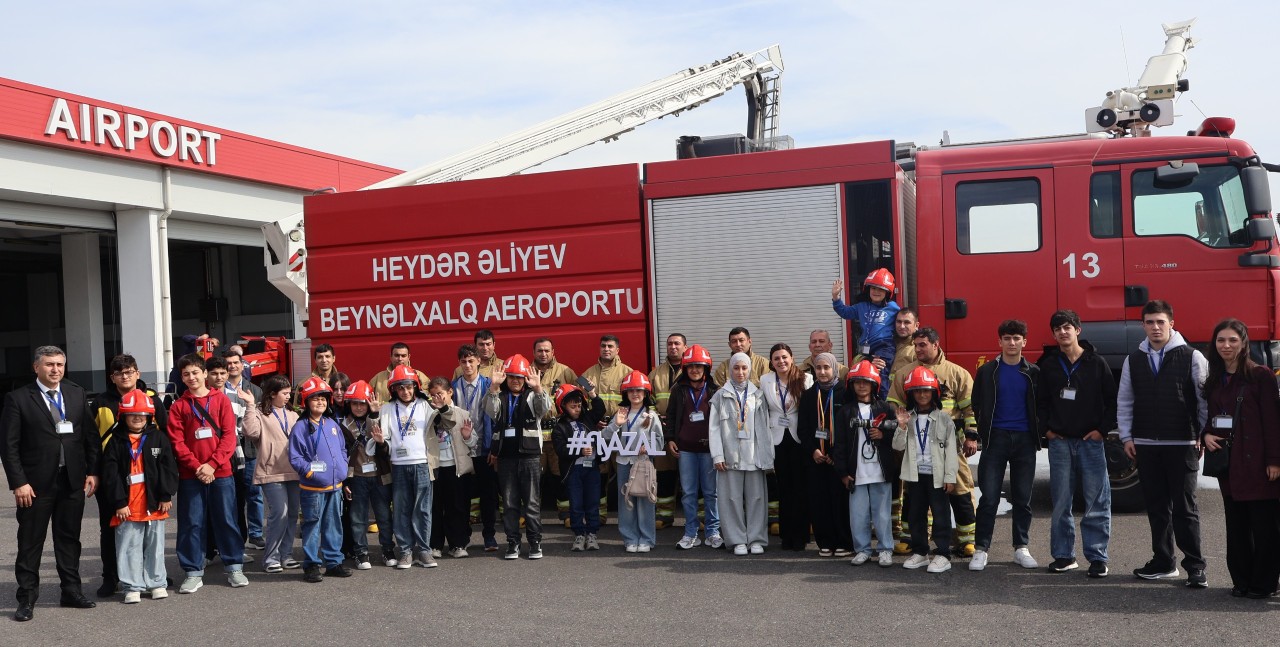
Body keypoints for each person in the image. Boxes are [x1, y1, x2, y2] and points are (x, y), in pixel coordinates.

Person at [1, 346, 100, 621]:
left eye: (59, 364)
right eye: (49, 364)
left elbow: (89, 437)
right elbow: (9, 446)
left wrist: (92, 471)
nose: (55, 369)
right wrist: (19, 482)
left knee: (69, 539)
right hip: (35, 485)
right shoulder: (18, 398)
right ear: (36, 367)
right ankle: (27, 598)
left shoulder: (76, 393)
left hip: (71, 481)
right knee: (30, 542)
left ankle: (71, 591)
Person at [1118, 300, 1209, 587]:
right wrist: (1127, 437)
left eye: (1160, 321)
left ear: (1172, 322)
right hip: (1145, 444)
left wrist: (1203, 433)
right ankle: (1164, 561)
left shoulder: (1192, 357)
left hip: (1182, 443)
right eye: (1149, 322)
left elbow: (1204, 399)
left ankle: (1195, 566)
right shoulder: (1133, 359)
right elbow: (1125, 400)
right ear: (1142, 325)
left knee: (1185, 508)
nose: (1155, 327)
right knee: (1157, 508)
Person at [1200, 318, 1280, 598]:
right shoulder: (1214, 379)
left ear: (1244, 343)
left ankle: (1264, 583)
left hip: (1258, 464)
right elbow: (1210, 419)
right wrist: (1206, 434)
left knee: (1265, 529)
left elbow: (1272, 422)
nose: (1226, 345)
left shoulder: (1261, 376)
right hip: (1229, 464)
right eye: (1221, 340)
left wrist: (1275, 460)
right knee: (1236, 527)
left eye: (1233, 340)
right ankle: (1242, 580)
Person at [1036, 309, 1116, 578]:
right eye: (1057, 328)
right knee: (1061, 502)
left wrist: (1101, 431)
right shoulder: (1048, 365)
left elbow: (1112, 401)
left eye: (1067, 327)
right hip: (1059, 443)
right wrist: (1045, 430)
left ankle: (1096, 557)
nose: (1062, 332)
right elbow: (1040, 402)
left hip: (1090, 442)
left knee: (1097, 500)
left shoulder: (1097, 363)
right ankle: (1064, 555)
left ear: (1078, 330)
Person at [887, 327, 978, 557]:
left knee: (959, 488)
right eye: (915, 345)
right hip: (916, 444)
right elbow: (894, 405)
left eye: (922, 345)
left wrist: (970, 436)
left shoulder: (957, 373)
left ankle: (967, 539)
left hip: (950, 444)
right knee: (914, 491)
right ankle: (911, 538)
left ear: (936, 345)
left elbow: (969, 408)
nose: (917, 349)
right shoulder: (903, 373)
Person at [166, 353, 247, 593]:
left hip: (220, 472)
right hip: (191, 475)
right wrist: (197, 466)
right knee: (191, 523)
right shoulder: (179, 406)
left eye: (195, 372)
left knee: (226, 520)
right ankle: (192, 571)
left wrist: (212, 464)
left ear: (204, 373)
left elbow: (229, 437)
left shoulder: (220, 400)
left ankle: (234, 566)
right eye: (186, 374)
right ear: (182, 377)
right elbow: (177, 442)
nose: (191, 377)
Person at [91, 353, 168, 598]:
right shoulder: (100, 402)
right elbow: (91, 441)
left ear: (137, 373)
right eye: (119, 373)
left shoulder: (153, 400)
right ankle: (112, 577)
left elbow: (165, 434)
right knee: (111, 529)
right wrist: (92, 472)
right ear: (112, 377)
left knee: (149, 529)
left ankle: (152, 577)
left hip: (148, 478)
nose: (125, 376)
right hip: (112, 476)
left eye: (129, 371)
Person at [971, 320, 1041, 572]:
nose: (1012, 343)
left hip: (1024, 440)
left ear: (1025, 342)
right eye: (1007, 338)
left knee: (1023, 499)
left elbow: (1040, 406)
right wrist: (982, 432)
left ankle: (1021, 548)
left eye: (1017, 338)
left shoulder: (1033, 372)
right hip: (995, 439)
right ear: (999, 341)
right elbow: (976, 403)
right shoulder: (987, 371)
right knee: (989, 498)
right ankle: (981, 549)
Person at [99, 390, 178, 603]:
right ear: (122, 416)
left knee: (155, 546)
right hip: (127, 506)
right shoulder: (115, 442)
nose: (137, 418)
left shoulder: (159, 438)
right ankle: (131, 586)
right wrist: (118, 502)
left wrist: (165, 495)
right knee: (128, 547)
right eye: (132, 414)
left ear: (149, 416)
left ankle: (156, 583)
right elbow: (110, 475)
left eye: (142, 415)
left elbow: (169, 468)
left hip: (153, 504)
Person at [484, 354, 552, 560]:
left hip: (530, 458)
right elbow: (490, 411)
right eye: (512, 377)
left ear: (526, 379)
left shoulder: (533, 395)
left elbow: (544, 410)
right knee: (510, 503)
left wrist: (539, 388)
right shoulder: (500, 396)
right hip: (506, 458)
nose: (515, 381)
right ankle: (513, 543)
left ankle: (534, 543)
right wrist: (494, 387)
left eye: (520, 377)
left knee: (531, 503)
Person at [832, 360, 899, 567]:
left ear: (874, 385)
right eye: (857, 382)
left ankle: (885, 549)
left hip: (880, 471)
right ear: (851, 385)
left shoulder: (886, 408)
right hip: (857, 472)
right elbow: (840, 444)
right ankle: (862, 549)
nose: (861, 386)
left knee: (882, 513)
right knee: (858, 515)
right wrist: (843, 472)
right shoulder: (845, 412)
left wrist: (883, 435)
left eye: (866, 382)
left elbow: (898, 439)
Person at [893, 366, 958, 573]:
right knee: (915, 515)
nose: (922, 395)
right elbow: (897, 446)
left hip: (937, 476)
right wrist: (901, 426)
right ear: (911, 394)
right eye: (917, 391)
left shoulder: (944, 418)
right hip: (915, 475)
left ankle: (942, 554)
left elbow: (951, 450)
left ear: (934, 393)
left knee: (941, 515)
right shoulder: (907, 418)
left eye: (926, 390)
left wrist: (950, 477)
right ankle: (921, 552)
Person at [710, 352, 773, 556]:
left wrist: (767, 456)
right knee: (731, 499)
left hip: (754, 455)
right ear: (730, 370)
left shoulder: (758, 395)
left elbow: (765, 427)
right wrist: (718, 456)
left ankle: (756, 538)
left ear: (750, 369)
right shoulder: (721, 395)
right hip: (730, 457)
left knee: (757, 498)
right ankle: (736, 539)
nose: (740, 372)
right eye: (736, 368)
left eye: (744, 368)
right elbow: (713, 429)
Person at [289, 377, 350, 583]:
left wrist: (341, 468)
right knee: (312, 525)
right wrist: (310, 473)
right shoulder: (300, 427)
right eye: (315, 399)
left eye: (323, 399)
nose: (320, 403)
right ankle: (312, 565)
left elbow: (342, 448)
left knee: (333, 525)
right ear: (306, 402)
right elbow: (295, 457)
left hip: (335, 486)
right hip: (313, 488)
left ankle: (333, 562)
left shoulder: (332, 423)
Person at [242, 375, 303, 572]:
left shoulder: (293, 415)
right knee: (280, 513)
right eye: (284, 393)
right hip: (271, 472)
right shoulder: (259, 412)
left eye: (289, 393)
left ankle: (286, 555)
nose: (288, 397)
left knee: (292, 514)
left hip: (293, 472)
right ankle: (271, 558)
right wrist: (251, 406)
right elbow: (251, 433)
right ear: (272, 394)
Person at [379, 365, 437, 569]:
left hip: (422, 463)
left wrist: (442, 406)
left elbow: (444, 424)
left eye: (409, 387)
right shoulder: (386, 409)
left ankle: (424, 551)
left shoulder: (425, 405)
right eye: (400, 388)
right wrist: (380, 441)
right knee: (401, 510)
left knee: (423, 510)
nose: (405, 391)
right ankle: (405, 552)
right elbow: (384, 439)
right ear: (394, 389)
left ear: (415, 387)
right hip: (398, 465)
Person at [665, 344, 722, 550]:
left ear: (706, 368)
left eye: (699, 366)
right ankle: (690, 532)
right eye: (690, 367)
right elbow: (670, 416)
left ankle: (713, 532)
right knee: (688, 493)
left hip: (709, 450)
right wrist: (670, 438)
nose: (695, 370)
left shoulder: (715, 390)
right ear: (685, 368)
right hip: (686, 450)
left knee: (711, 493)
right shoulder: (678, 390)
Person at [759, 343, 814, 552]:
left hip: (799, 438)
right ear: (771, 363)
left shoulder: (806, 379)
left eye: (784, 357)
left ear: (791, 358)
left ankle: (800, 536)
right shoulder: (765, 380)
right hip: (777, 438)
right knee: (783, 489)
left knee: (800, 489)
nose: (781, 361)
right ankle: (786, 535)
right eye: (776, 358)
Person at [798, 353, 853, 557]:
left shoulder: (845, 393)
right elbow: (802, 428)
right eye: (818, 368)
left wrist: (834, 453)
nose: (822, 372)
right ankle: (825, 542)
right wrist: (814, 450)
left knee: (840, 500)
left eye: (826, 368)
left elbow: (848, 428)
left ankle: (844, 542)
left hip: (838, 459)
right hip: (816, 458)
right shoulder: (809, 395)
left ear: (834, 369)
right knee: (819, 501)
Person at [604, 370, 665, 553]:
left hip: (644, 463)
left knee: (646, 499)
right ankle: (630, 538)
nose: (635, 394)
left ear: (646, 393)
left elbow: (660, 441)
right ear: (625, 394)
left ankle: (647, 539)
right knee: (626, 500)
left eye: (639, 390)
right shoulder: (620, 413)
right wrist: (617, 424)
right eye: (631, 391)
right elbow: (605, 437)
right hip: (624, 463)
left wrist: (649, 447)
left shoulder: (651, 416)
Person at [338, 380, 394, 570]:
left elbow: (386, 452)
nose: (359, 407)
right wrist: (345, 481)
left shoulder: (377, 421)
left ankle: (387, 550)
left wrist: (380, 442)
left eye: (363, 403)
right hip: (357, 479)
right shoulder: (343, 425)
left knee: (384, 516)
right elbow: (341, 455)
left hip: (380, 477)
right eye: (355, 403)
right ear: (349, 404)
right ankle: (361, 553)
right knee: (358, 518)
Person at [204, 356, 254, 563]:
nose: (219, 377)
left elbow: (240, 429)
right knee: (207, 506)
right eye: (214, 373)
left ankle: (237, 548)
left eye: (222, 373)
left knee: (235, 505)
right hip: (205, 458)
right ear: (206, 374)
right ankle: (208, 550)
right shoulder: (200, 397)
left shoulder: (237, 396)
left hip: (234, 458)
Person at [425, 377, 478, 559]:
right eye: (433, 395)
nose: (437, 398)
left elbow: (474, 443)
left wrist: (468, 436)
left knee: (458, 508)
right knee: (434, 508)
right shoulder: (428, 414)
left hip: (457, 468)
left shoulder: (462, 413)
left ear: (450, 392)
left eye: (440, 394)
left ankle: (458, 544)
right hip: (435, 468)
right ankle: (435, 545)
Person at [453, 344, 499, 552]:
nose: (468, 365)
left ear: (479, 361)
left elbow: (497, 419)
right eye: (464, 362)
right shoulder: (453, 388)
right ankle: (463, 537)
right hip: (461, 451)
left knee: (488, 495)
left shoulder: (489, 385)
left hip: (484, 449)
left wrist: (494, 449)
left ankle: (489, 536)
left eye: (471, 361)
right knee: (461, 497)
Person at [551, 384, 607, 551]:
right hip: (574, 470)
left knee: (592, 502)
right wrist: (579, 451)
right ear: (563, 407)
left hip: (592, 469)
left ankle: (592, 534)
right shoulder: (559, 427)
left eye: (579, 405)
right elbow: (560, 450)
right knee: (575, 504)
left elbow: (600, 408)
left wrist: (592, 394)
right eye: (572, 406)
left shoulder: (588, 419)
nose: (577, 409)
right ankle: (579, 535)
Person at [832, 269, 902, 396]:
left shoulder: (893, 307)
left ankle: (883, 402)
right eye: (873, 288)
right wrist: (836, 298)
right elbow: (844, 312)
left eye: (881, 289)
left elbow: (906, 321)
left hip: (884, 346)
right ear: (867, 289)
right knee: (864, 374)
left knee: (879, 371)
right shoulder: (861, 306)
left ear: (888, 292)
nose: (876, 292)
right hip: (866, 348)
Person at [533, 338, 578, 528]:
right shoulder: (527, 371)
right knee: (534, 477)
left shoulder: (566, 371)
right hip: (535, 435)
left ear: (553, 351)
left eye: (546, 350)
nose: (543, 354)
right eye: (539, 350)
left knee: (561, 476)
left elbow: (577, 398)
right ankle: (530, 515)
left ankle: (567, 514)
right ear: (534, 352)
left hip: (559, 433)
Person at [222, 350, 264, 551]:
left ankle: (256, 534)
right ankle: (238, 535)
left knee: (254, 493)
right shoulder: (218, 389)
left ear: (242, 365)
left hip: (250, 450)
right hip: (227, 451)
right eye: (228, 363)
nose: (232, 366)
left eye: (235, 363)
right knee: (233, 496)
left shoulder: (254, 390)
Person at [887, 307, 919, 554]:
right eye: (898, 321)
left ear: (916, 325)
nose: (902, 326)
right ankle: (894, 524)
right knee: (893, 473)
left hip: (907, 422)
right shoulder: (885, 343)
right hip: (888, 417)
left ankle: (912, 530)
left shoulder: (914, 351)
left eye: (907, 322)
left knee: (910, 478)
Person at [648, 333, 686, 531]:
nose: (673, 347)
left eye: (677, 344)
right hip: (662, 431)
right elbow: (648, 400)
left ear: (684, 347)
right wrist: (655, 416)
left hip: (687, 430)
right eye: (670, 344)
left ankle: (700, 517)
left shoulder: (693, 370)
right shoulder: (655, 374)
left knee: (690, 476)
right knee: (664, 474)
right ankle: (664, 515)